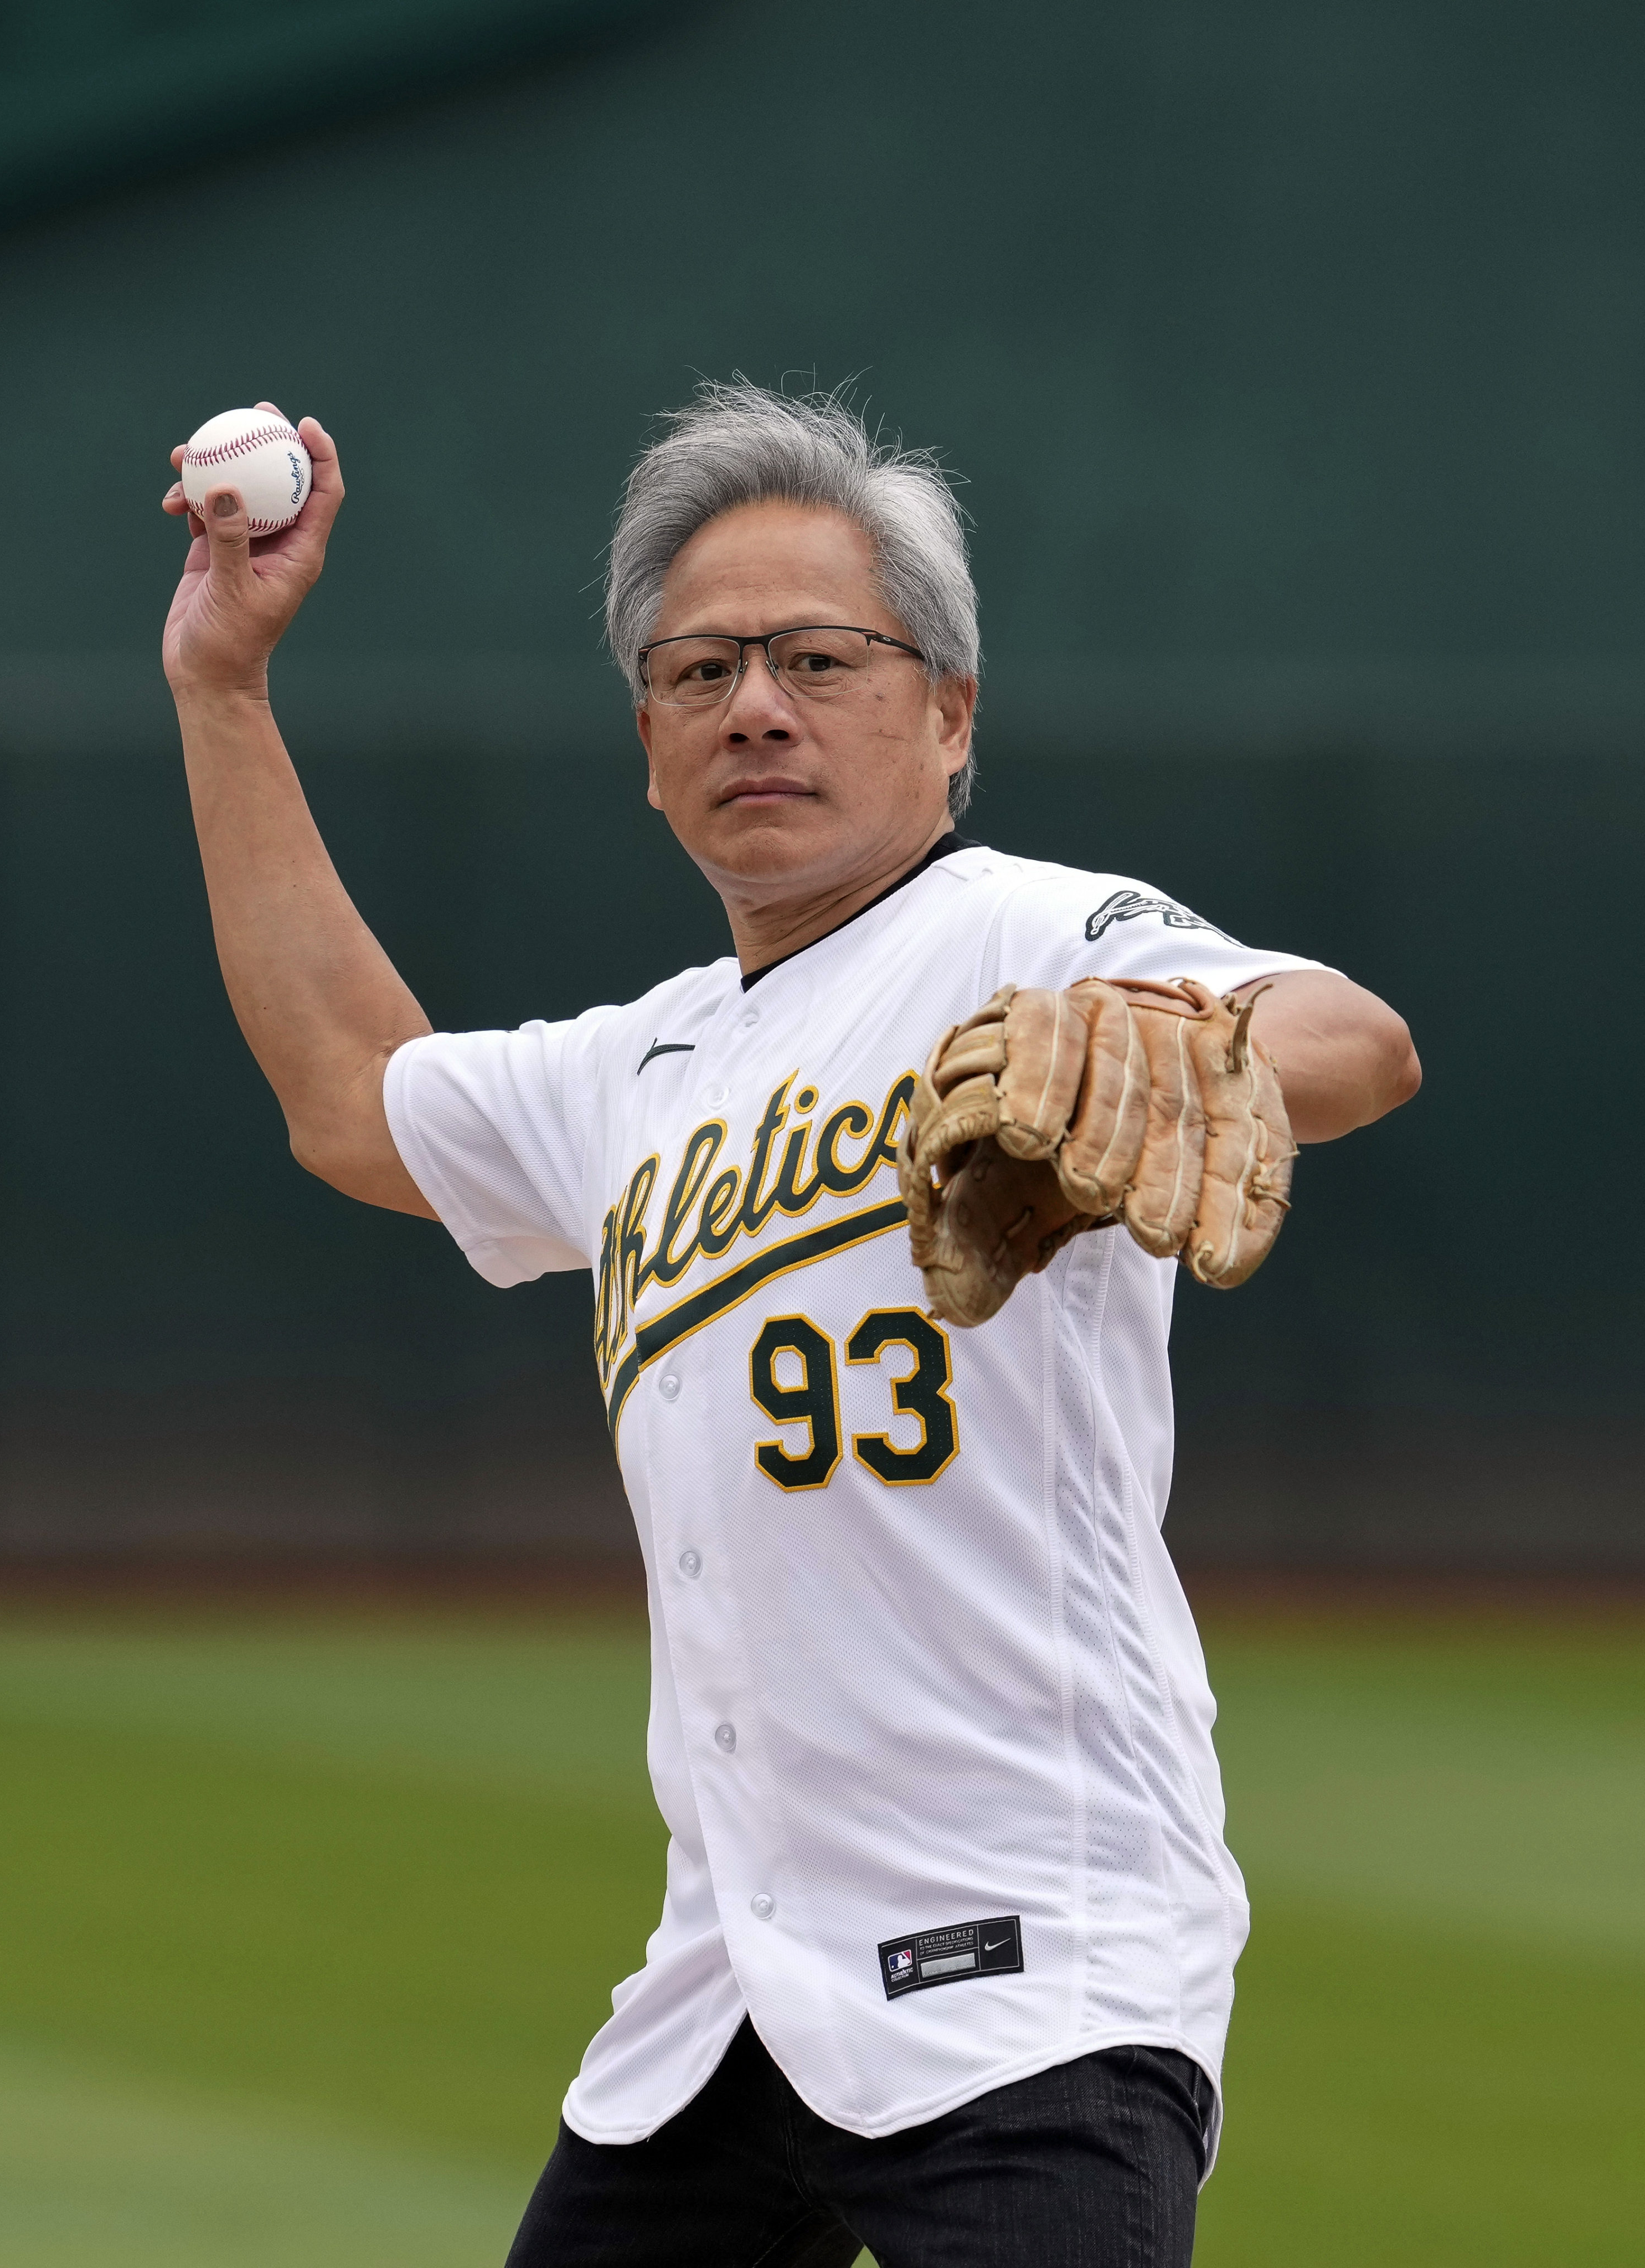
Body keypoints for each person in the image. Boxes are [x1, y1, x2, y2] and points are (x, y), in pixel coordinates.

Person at [162, 382, 1419, 2267]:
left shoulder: (1026, 937)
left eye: (822, 658)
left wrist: (1174, 1040)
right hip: (727, 1999)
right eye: (699, 671)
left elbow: (1356, 1040)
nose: (757, 705)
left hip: (1030, 1975)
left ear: (950, 709)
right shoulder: (644, 1069)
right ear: (649, 744)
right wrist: (226, 692)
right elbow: (356, 1098)